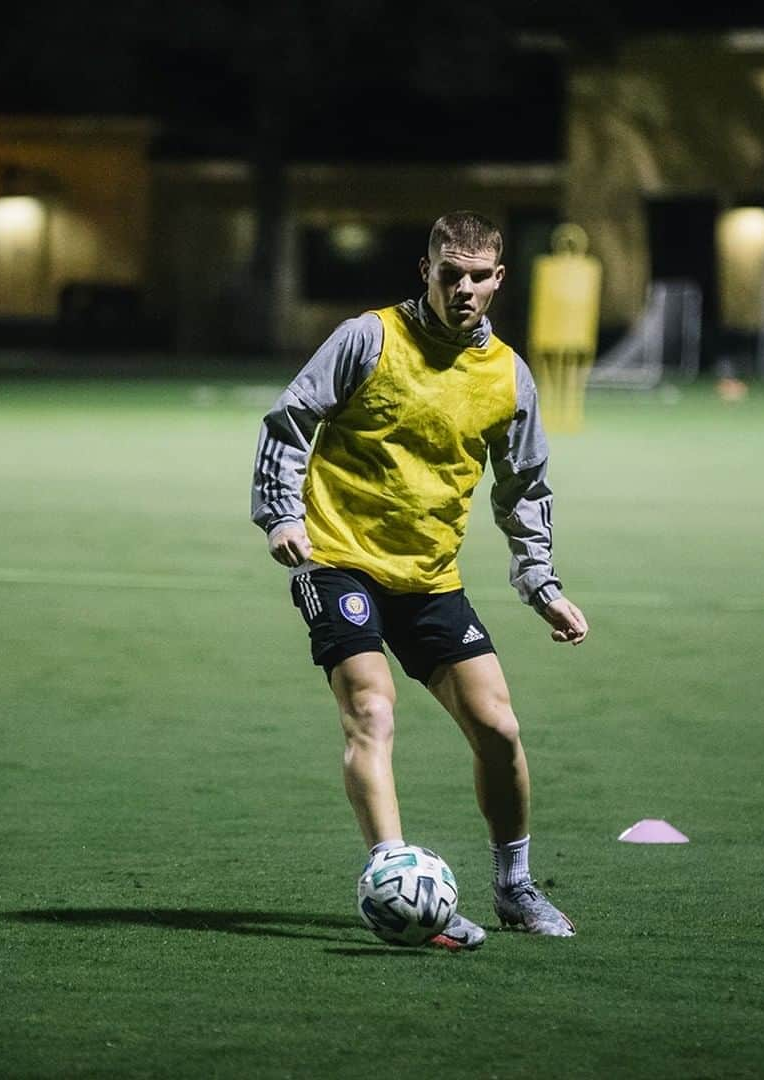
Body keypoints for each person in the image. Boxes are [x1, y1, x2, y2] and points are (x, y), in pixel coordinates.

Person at [251, 210, 588, 950]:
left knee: (499, 728)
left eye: (478, 277)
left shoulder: (507, 375)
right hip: (336, 557)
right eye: (449, 274)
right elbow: (291, 417)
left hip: (429, 576)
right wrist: (280, 513)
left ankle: (514, 887)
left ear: (499, 279)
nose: (463, 289)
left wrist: (541, 583)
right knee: (372, 708)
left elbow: (524, 486)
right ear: (426, 271)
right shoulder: (368, 338)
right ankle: (396, 884)